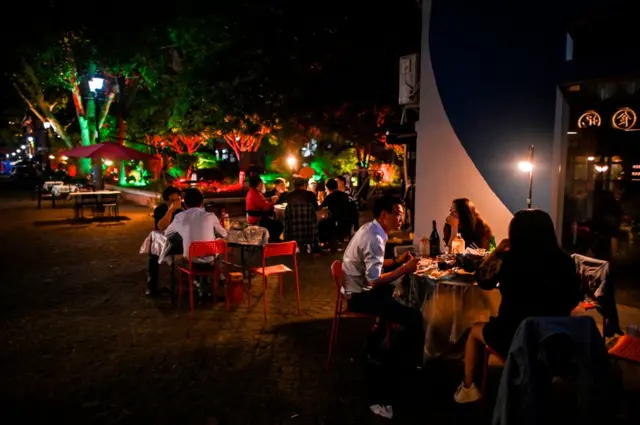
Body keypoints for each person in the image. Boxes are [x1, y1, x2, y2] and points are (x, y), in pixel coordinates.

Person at [453, 209, 581, 403]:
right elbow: (573, 299)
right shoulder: (565, 261)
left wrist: (497, 252)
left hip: (514, 337)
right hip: (553, 339)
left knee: (473, 331)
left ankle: (469, 389)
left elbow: (483, 280)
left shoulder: (511, 260)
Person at [342, 195, 423, 419]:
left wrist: (396, 263)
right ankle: (389, 359)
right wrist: (404, 269)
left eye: (402, 213)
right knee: (414, 317)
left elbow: (372, 266)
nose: (401, 218)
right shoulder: (375, 236)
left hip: (357, 288)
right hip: (360, 295)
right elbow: (373, 280)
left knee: (402, 297)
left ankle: (379, 341)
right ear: (384, 214)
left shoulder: (371, 229)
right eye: (398, 213)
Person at [165, 188, 228, 261]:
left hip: (190, 258)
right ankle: (214, 265)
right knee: (219, 240)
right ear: (202, 203)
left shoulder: (180, 216)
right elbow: (224, 234)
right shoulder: (211, 216)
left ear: (185, 204)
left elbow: (167, 233)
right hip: (210, 257)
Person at [146, 186, 183, 297]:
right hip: (164, 241)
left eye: (178, 199)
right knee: (154, 252)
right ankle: (152, 286)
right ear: (166, 200)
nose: (176, 202)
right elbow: (162, 227)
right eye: (173, 200)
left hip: (180, 241)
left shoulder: (183, 210)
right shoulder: (160, 210)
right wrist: (170, 210)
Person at [245, 174, 283, 242]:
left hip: (254, 219)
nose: (263, 185)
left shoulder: (251, 192)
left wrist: (270, 199)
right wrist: (273, 202)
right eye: (262, 183)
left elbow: (262, 202)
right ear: (259, 184)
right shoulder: (255, 194)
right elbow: (266, 207)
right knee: (279, 224)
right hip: (258, 221)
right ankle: (274, 243)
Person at [318, 178, 351, 250]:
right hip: (346, 220)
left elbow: (320, 207)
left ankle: (325, 243)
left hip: (334, 220)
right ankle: (333, 242)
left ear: (327, 187)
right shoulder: (344, 195)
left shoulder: (330, 196)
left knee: (321, 224)